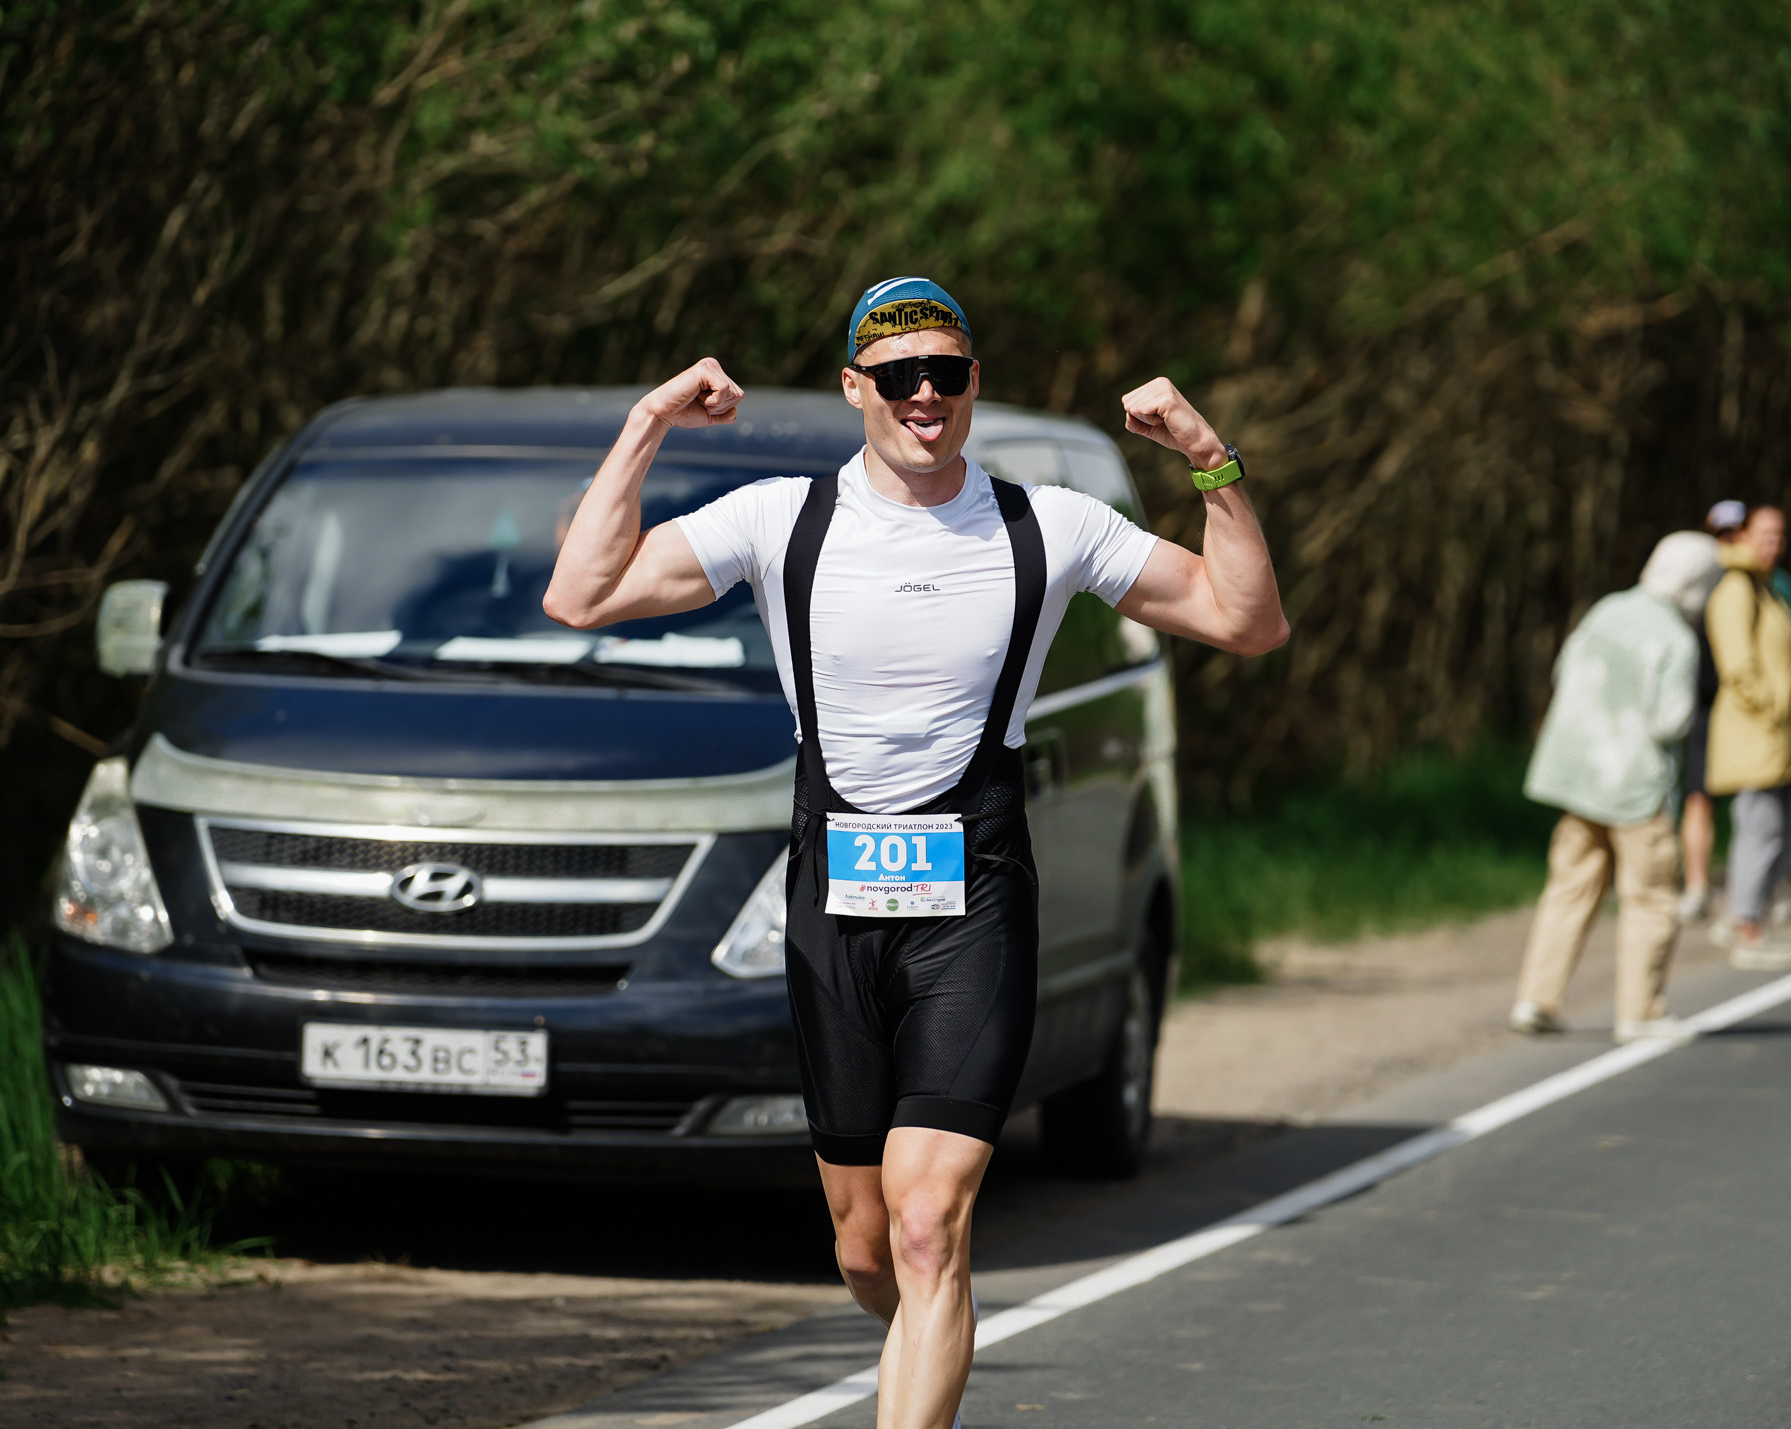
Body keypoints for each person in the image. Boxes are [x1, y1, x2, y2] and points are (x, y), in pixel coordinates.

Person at [543, 277, 1287, 1429]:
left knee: (931, 1219)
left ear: (974, 383)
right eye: (898, 376)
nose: (925, 394)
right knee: (866, 1242)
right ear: (858, 389)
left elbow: (1246, 621)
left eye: (947, 372)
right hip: (831, 909)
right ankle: (924, 1343)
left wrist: (1208, 457)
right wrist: (648, 424)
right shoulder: (778, 519)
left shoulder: (1050, 524)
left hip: (974, 902)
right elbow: (583, 592)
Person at [1509, 531, 1722, 1044]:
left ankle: (1535, 999)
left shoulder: (1607, 609)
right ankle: (1640, 1012)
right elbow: (1670, 721)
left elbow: (1565, 670)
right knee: (1649, 897)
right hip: (1636, 789)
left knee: (1568, 888)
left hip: (1579, 776)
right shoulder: (1676, 637)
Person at [1704, 504, 1791, 971]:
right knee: (1759, 829)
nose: (1773, 543)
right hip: (1754, 730)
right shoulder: (1736, 589)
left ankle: (1747, 915)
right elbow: (1738, 664)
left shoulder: (1768, 589)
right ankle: (1747, 929)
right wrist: (1771, 706)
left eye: (1780, 535)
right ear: (1743, 535)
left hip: (1779, 731)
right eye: (1764, 534)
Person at [1677, 501, 1743, 922]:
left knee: (1750, 799)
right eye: (1723, 534)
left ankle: (1749, 886)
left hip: (1740, 706)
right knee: (1698, 798)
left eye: (1736, 533)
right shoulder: (1689, 584)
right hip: (1701, 705)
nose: (1729, 542)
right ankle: (1698, 885)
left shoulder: (1758, 585)